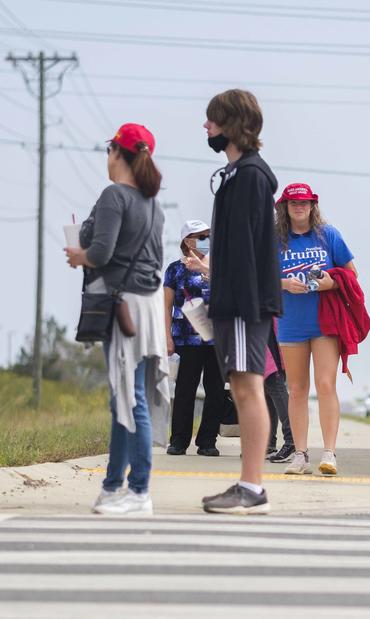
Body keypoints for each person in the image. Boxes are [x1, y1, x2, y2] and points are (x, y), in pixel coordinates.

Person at [65, 122, 168, 516]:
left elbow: (102, 252)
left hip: (122, 307)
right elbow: (154, 261)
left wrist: (80, 256)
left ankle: (139, 490)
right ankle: (113, 486)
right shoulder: (152, 204)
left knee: (130, 399)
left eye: (108, 151)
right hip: (148, 306)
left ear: (117, 153)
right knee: (126, 398)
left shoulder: (114, 195)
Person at [200, 89, 282, 515]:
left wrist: (240, 304)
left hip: (242, 305)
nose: (206, 127)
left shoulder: (249, 175)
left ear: (231, 124)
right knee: (245, 388)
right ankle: (249, 485)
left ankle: (251, 488)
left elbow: (249, 249)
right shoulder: (238, 174)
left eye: (212, 120)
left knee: (248, 389)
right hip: (235, 302)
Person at [273, 182, 356, 476]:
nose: (300, 207)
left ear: (312, 205)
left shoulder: (328, 235)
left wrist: (328, 283)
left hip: (325, 321)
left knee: (325, 385)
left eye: (305, 202)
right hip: (290, 322)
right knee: (296, 389)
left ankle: (330, 453)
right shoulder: (274, 238)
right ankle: (300, 454)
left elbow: (351, 275)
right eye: (294, 203)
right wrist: (285, 283)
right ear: (284, 206)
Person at [163, 220, 225, 457]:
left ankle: (208, 440)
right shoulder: (174, 270)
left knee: (216, 390)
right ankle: (179, 440)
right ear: (186, 240)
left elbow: (231, 292)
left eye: (207, 235)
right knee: (185, 389)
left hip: (216, 339)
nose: (205, 240)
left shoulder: (219, 267)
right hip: (187, 339)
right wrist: (167, 336)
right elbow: (166, 305)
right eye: (199, 236)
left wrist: (205, 270)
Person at [264, 321, 295, 463]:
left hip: (269, 323)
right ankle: (269, 444)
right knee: (267, 387)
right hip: (265, 322)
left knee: (274, 382)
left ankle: (292, 441)